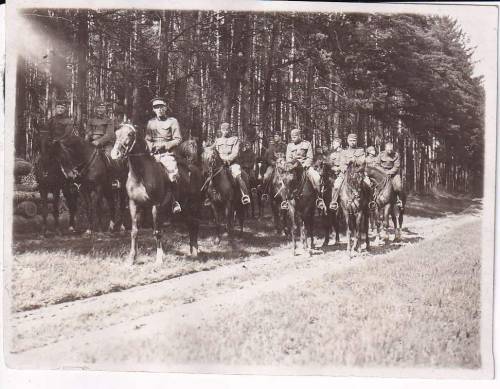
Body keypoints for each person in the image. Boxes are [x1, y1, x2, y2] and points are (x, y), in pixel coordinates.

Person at [145, 97, 182, 214]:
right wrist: (151, 148)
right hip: (153, 154)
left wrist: (165, 146)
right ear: (153, 110)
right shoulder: (151, 122)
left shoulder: (172, 121)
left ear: (166, 108)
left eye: (161, 107)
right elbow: (148, 139)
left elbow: (178, 139)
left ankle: (175, 201)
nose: (159, 109)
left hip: (167, 154)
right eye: (156, 107)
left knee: (172, 173)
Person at [285, 128, 325, 209]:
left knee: (317, 177)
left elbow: (310, 157)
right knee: (286, 179)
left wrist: (305, 165)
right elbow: (288, 159)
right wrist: (293, 163)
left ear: (300, 136)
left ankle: (319, 198)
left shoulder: (307, 144)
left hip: (305, 167)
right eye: (292, 137)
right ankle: (286, 199)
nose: (293, 138)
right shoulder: (289, 146)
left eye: (295, 137)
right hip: (294, 167)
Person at [330, 133, 370, 210]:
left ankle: (370, 202)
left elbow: (363, 162)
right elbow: (342, 164)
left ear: (356, 141)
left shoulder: (360, 151)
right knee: (336, 185)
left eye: (354, 140)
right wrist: (346, 169)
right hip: (346, 174)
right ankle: (334, 202)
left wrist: (354, 161)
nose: (352, 142)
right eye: (351, 140)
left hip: (359, 173)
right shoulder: (344, 152)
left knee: (368, 183)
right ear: (348, 141)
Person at [213, 122, 251, 205]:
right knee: (211, 176)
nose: (225, 132)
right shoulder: (217, 141)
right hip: (220, 164)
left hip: (232, 163)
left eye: (227, 130)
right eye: (223, 130)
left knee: (238, 176)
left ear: (229, 130)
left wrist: (228, 159)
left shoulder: (235, 139)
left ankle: (244, 195)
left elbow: (235, 152)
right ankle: (209, 197)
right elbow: (215, 152)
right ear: (221, 130)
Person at [378, 141, 403, 207]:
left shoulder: (396, 155)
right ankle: (374, 200)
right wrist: (383, 172)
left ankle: (399, 200)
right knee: (373, 184)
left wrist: (389, 173)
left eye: (391, 149)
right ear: (385, 148)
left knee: (398, 186)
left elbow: (396, 166)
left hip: (394, 174)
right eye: (388, 149)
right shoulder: (381, 154)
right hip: (382, 173)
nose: (390, 151)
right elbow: (377, 164)